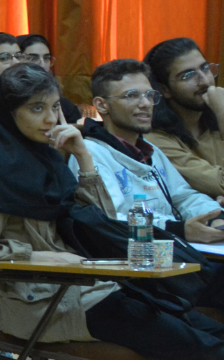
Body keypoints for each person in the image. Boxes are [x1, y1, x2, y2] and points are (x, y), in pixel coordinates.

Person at [0, 63, 224, 360]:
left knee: (206, 329)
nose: (50, 119)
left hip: (85, 283)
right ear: (9, 113)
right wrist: (35, 256)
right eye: (36, 108)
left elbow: (100, 222)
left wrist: (82, 156)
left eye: (54, 107)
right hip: (33, 298)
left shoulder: (46, 157)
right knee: (199, 346)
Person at [85, 59, 224, 246]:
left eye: (150, 95)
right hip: (134, 253)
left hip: (172, 247)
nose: (146, 104)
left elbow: (184, 197)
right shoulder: (91, 153)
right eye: (132, 95)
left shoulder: (150, 150)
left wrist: (215, 217)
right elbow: (112, 218)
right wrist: (179, 229)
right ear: (102, 105)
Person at [145, 37, 224, 200]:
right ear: (165, 90)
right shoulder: (155, 139)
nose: (205, 81)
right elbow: (220, 184)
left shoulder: (214, 119)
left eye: (205, 68)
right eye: (188, 75)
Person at [16, 34, 81, 122]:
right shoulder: (7, 100)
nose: (42, 65)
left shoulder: (63, 105)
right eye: (32, 58)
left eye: (46, 58)